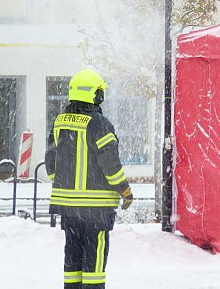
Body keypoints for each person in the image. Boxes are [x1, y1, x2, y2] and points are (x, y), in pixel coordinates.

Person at [45, 68, 133, 289]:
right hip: (96, 210)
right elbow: (111, 165)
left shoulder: (59, 122)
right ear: (96, 95)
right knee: (94, 264)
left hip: (68, 208)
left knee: (72, 260)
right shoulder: (98, 123)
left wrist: (66, 183)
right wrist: (124, 190)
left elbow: (50, 163)